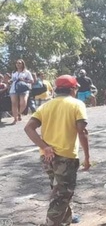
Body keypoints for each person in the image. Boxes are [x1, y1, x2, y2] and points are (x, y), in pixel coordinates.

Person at [24, 74, 90, 226]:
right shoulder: (77, 104)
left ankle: (65, 220)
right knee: (62, 195)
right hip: (66, 158)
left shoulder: (45, 106)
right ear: (73, 89)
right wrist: (87, 158)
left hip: (47, 157)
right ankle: (52, 223)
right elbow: (82, 132)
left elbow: (29, 128)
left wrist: (44, 147)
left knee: (58, 191)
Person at [9, 59, 34, 124]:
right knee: (14, 103)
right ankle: (15, 119)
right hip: (14, 88)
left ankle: (19, 113)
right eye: (17, 63)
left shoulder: (27, 72)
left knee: (23, 103)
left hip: (23, 89)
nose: (18, 64)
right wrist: (10, 81)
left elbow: (32, 81)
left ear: (23, 64)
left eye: (19, 63)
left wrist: (24, 80)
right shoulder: (14, 72)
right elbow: (12, 79)